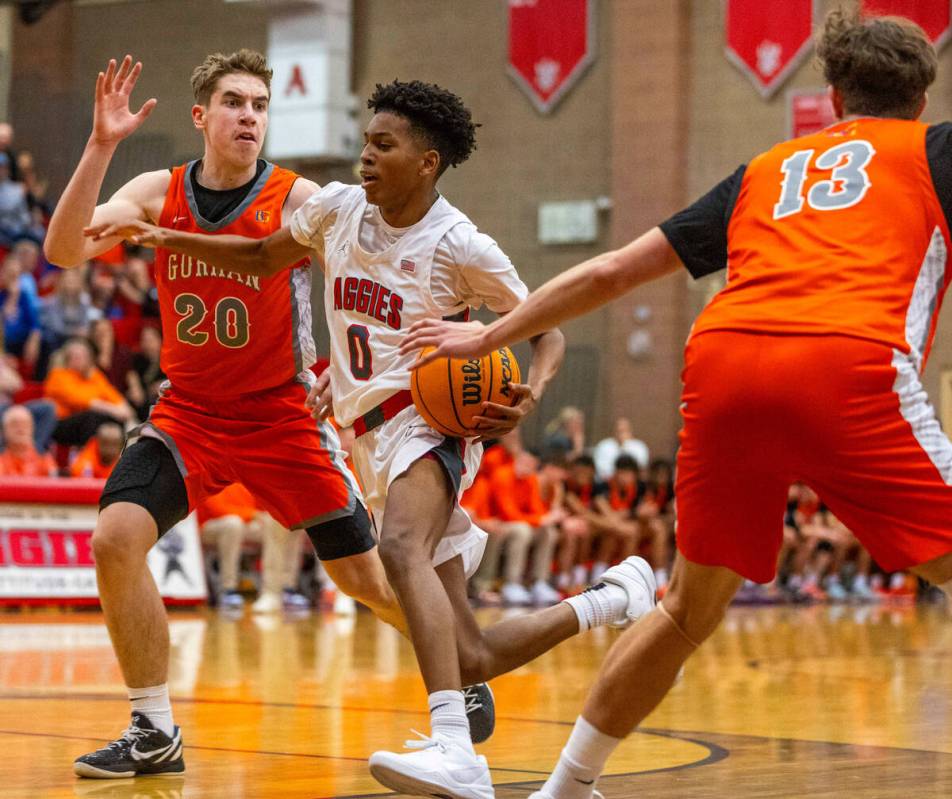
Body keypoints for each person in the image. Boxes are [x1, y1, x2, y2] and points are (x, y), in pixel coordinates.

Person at [399, 10, 952, 798]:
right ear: (923, 96)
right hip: (847, 364)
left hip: (725, 365)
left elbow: (614, 269)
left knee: (687, 608)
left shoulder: (766, 169)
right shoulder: (935, 150)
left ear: (832, 96)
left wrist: (490, 338)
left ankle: (565, 786)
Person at [92, 78, 659, 799]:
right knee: (471, 651)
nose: (364, 155)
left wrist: (523, 385)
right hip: (366, 436)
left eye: (383, 145)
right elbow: (264, 258)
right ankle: (611, 597)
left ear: (426, 162)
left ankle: (455, 746)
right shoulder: (337, 210)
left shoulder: (459, 244)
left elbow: (547, 327)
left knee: (396, 551)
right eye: (365, 140)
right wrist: (166, 238)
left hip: (432, 419)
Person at [43, 51, 412, 781]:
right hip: (190, 415)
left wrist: (342, 375)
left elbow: (364, 279)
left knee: (368, 582)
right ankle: (153, 728)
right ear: (201, 116)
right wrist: (100, 146)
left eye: (261, 104)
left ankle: (463, 669)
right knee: (115, 537)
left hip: (282, 417)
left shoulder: (297, 196)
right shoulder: (159, 191)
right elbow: (61, 251)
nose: (250, 115)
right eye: (235, 101)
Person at [0, 404, 57, 476]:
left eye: (25, 424)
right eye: (14, 424)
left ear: (32, 429)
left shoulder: (44, 458)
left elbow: (54, 483)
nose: (20, 428)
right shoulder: (1, 460)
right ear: (4, 430)